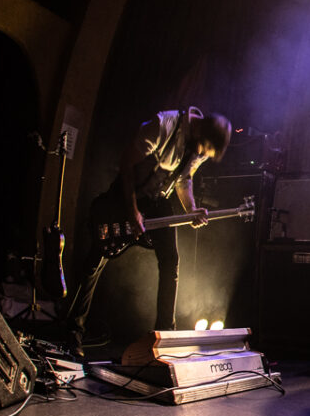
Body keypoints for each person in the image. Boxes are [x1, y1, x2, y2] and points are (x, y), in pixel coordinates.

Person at [65, 107, 232, 351]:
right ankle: (73, 331)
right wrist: (132, 211)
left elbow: (184, 179)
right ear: (199, 131)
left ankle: (165, 336)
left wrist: (192, 209)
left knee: (171, 260)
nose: (202, 154)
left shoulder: (200, 146)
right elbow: (127, 163)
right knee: (96, 259)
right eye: (204, 148)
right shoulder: (163, 124)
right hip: (127, 194)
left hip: (157, 201)